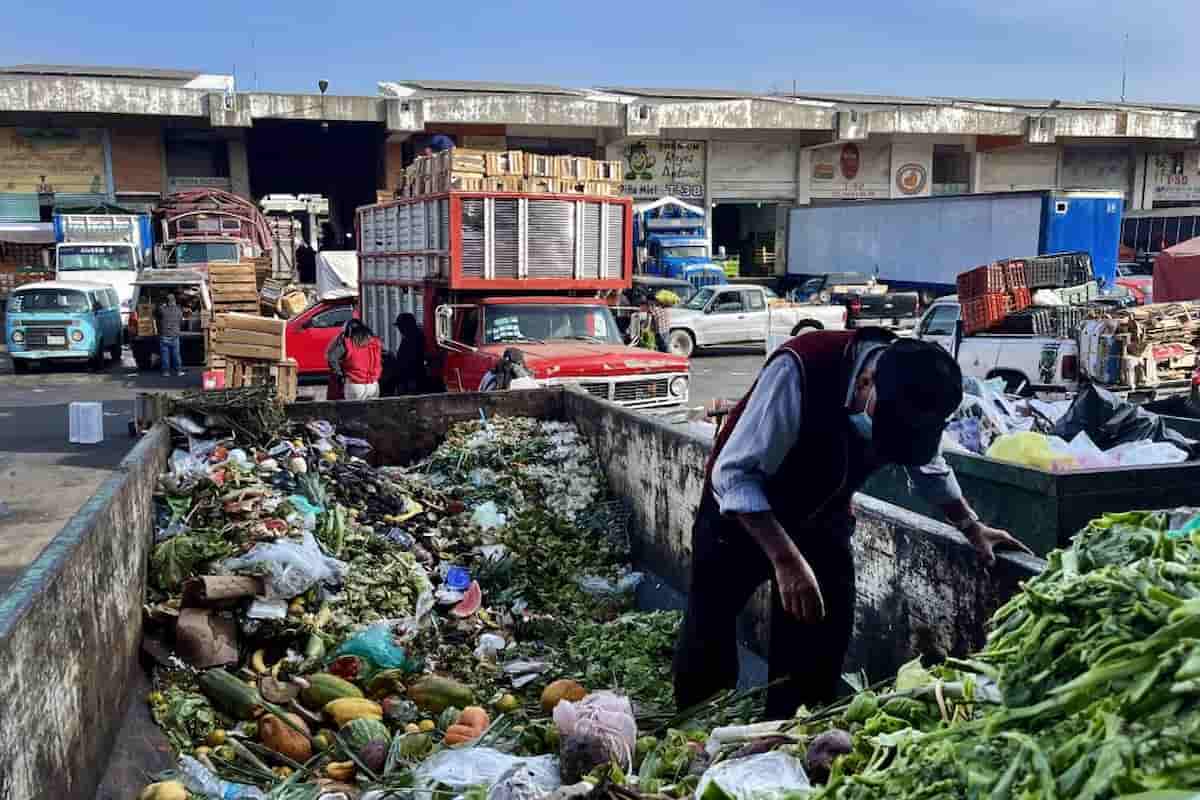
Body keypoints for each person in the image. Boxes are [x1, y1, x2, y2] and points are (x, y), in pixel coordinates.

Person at [672, 328, 1032, 719]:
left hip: (822, 516)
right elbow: (735, 476)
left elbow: (929, 469)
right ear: (866, 381)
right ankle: (698, 729)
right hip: (741, 513)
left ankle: (791, 731)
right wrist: (786, 559)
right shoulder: (800, 369)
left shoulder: (913, 386)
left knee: (821, 633)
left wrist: (971, 526)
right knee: (711, 621)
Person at [327, 319, 382, 401]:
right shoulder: (375, 341)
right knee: (371, 413)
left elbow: (331, 357)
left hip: (355, 384)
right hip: (373, 384)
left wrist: (340, 375)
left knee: (353, 413)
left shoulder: (347, 342)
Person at [390, 313, 427, 395]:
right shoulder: (411, 336)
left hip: (411, 379)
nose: (399, 329)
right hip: (410, 379)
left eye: (400, 326)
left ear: (406, 326)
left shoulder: (413, 338)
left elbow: (409, 360)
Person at [155, 293, 185, 377]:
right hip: (175, 335)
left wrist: (162, 305)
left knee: (165, 355)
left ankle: (166, 372)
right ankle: (179, 371)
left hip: (164, 335)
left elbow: (155, 313)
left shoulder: (162, 309)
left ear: (167, 302)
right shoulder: (178, 310)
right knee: (176, 354)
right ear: (174, 301)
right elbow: (181, 322)